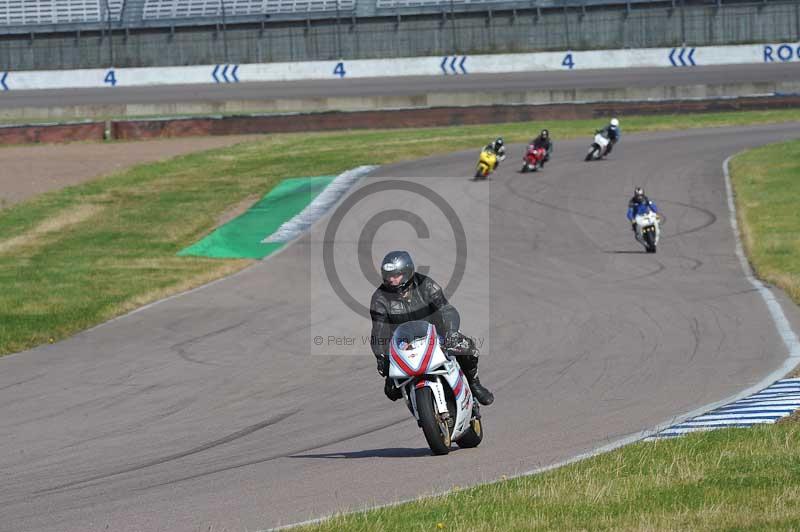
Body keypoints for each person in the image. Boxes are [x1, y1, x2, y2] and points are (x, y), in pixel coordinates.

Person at [370, 250, 494, 406]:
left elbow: (446, 309)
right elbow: (378, 331)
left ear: (407, 272)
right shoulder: (379, 298)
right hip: (405, 344)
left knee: (466, 347)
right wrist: (381, 357)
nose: (392, 280)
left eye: (396, 275)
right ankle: (419, 405)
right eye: (388, 276)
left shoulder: (425, 284)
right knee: (391, 390)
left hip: (437, 336)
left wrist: (451, 333)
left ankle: (474, 383)